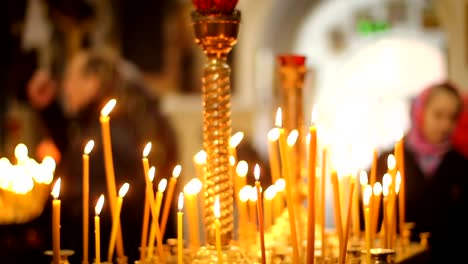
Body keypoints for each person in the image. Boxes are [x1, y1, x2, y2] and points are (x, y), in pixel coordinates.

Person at [28, 48, 179, 263]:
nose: (66, 87)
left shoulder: (111, 132)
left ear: (93, 82)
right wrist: (50, 110)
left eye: (71, 78)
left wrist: (33, 233)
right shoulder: (123, 119)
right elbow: (83, 157)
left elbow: (86, 196)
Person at [374, 81, 468, 263]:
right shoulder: (389, 160)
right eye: (438, 115)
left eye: (452, 117)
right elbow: (371, 221)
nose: (445, 125)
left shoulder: (461, 165)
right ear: (420, 112)